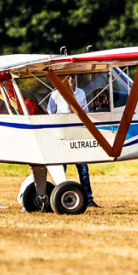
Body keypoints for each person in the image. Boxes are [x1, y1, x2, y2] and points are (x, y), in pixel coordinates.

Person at [46, 74, 100, 208]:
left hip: (77, 133)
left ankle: (88, 198)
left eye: (73, 77)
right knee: (61, 167)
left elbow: (85, 111)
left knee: (83, 168)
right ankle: (57, 196)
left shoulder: (80, 92)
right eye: (68, 77)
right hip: (63, 134)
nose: (70, 80)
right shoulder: (55, 94)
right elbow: (50, 112)